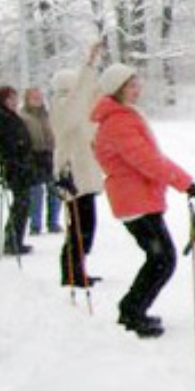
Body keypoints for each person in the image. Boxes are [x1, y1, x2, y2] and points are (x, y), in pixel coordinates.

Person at [92, 64, 195, 337]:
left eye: (136, 83)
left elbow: (150, 158)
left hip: (138, 197)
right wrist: (187, 184)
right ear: (117, 89)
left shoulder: (122, 116)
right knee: (161, 259)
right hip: (134, 199)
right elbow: (148, 161)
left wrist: (184, 183)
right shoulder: (119, 122)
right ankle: (132, 311)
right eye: (131, 85)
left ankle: (133, 309)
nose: (137, 89)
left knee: (160, 258)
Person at [50, 41, 107, 289]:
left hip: (82, 174)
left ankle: (76, 269)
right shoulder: (64, 107)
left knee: (84, 226)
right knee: (80, 227)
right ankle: (71, 272)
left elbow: (91, 97)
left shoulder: (73, 108)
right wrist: (89, 65)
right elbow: (80, 99)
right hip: (73, 175)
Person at [0, 86, 36, 257]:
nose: (14, 102)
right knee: (21, 203)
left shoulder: (10, 116)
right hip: (13, 166)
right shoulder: (0, 116)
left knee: (23, 203)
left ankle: (15, 240)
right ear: (2, 100)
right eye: (10, 99)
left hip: (21, 165)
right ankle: (12, 241)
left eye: (15, 98)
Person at [19, 87, 61, 235]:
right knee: (36, 191)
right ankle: (35, 224)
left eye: (39, 97)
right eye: (34, 97)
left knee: (54, 189)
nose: (38, 100)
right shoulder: (23, 116)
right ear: (27, 99)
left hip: (49, 154)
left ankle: (53, 222)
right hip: (33, 155)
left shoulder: (47, 115)